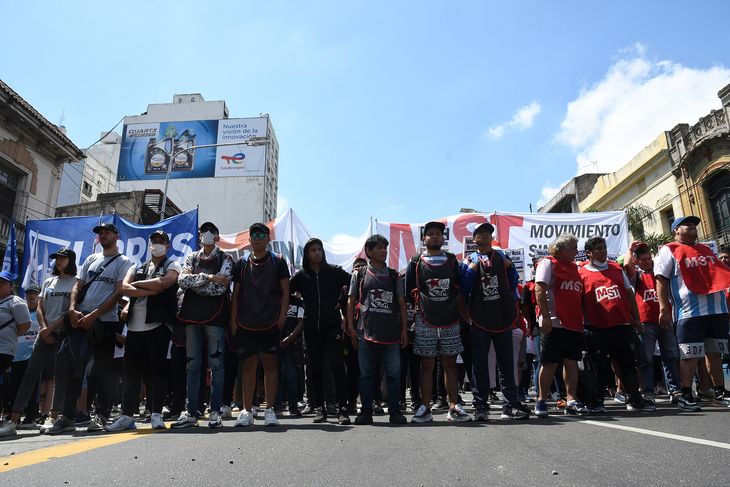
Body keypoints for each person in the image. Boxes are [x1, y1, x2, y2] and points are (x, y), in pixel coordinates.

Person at [47, 223, 133, 434]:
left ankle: (101, 415)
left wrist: (95, 315)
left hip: (105, 322)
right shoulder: (91, 259)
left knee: (101, 371)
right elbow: (78, 285)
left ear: (116, 236)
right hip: (79, 320)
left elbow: (117, 294)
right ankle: (67, 416)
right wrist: (73, 310)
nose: (102, 235)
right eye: (100, 233)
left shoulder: (124, 262)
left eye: (106, 232)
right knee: (72, 369)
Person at [106, 230, 181, 432]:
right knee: (131, 373)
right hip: (134, 326)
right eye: (153, 240)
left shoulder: (172, 264)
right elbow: (123, 287)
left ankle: (156, 413)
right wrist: (147, 289)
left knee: (157, 371)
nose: (156, 243)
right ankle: (127, 416)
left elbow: (165, 282)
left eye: (161, 241)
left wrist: (136, 285)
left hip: (158, 324)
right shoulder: (137, 266)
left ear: (167, 245)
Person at [655, 216, 730, 410]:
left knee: (715, 352)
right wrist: (663, 308)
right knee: (690, 355)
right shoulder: (668, 250)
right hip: (689, 312)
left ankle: (719, 391)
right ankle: (685, 393)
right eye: (686, 224)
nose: (692, 227)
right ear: (675, 231)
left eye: (694, 224)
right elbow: (661, 280)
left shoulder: (706, 249)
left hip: (717, 308)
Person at [461, 222, 530, 421]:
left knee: (507, 364)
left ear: (491, 237)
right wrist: (472, 269)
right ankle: (480, 406)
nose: (484, 235)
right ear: (474, 239)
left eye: (487, 232)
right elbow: (464, 289)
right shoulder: (469, 259)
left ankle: (510, 405)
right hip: (480, 320)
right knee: (480, 365)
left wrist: (509, 268)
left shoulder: (502, 256)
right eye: (480, 233)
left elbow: (514, 281)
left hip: (502, 318)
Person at [4, 248, 77, 435]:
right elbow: (40, 307)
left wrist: (51, 329)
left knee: (59, 376)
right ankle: (13, 420)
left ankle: (54, 417)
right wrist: (44, 328)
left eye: (62, 258)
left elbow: (70, 310)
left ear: (71, 260)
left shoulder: (76, 283)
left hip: (63, 334)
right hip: (44, 334)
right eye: (56, 258)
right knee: (30, 374)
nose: (58, 261)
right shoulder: (48, 281)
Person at [579, 237, 654, 413]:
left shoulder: (615, 268)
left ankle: (634, 399)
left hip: (621, 325)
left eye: (604, 248)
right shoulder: (581, 273)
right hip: (595, 328)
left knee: (628, 364)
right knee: (599, 366)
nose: (603, 251)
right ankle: (597, 402)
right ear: (589, 253)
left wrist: (636, 319)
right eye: (598, 249)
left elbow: (629, 295)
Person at [406, 221, 471, 423]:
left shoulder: (452, 261)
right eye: (430, 234)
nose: (434, 236)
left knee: (450, 365)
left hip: (450, 320)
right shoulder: (415, 262)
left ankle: (454, 406)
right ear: (424, 238)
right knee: (427, 366)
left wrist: (465, 316)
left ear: (443, 238)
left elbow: (461, 289)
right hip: (425, 320)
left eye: (438, 234)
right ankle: (425, 408)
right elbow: (409, 292)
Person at [173, 221, 233, 428]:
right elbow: (182, 281)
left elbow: (221, 287)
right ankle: (191, 412)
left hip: (215, 318)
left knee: (216, 364)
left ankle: (215, 411)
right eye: (203, 231)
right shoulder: (191, 256)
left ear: (217, 236)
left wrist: (196, 284)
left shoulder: (226, 258)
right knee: (192, 364)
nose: (206, 234)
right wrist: (208, 277)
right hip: (191, 316)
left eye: (211, 231)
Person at [230, 223, 290, 427]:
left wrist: (282, 317)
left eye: (261, 234)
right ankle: (246, 410)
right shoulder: (242, 262)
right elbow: (236, 294)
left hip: (270, 322)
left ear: (268, 239)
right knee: (248, 366)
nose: (256, 237)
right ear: (249, 240)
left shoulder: (278, 261)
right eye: (253, 234)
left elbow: (285, 293)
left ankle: (270, 410)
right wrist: (233, 320)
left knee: (271, 366)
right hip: (246, 323)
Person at [346, 234, 408, 425]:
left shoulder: (393, 275)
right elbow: (351, 301)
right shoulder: (359, 274)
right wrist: (351, 328)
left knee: (394, 374)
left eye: (385, 248)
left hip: (391, 334)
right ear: (369, 252)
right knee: (366, 375)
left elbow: (401, 303)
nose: (383, 251)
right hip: (365, 333)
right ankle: (365, 412)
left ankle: (395, 411)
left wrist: (404, 330)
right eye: (379, 248)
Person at [290, 238, 353, 424]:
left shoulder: (334, 271)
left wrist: (341, 302)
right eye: (313, 250)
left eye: (319, 249)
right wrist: (302, 304)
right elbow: (286, 292)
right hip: (310, 329)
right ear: (307, 254)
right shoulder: (301, 276)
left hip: (332, 326)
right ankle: (320, 409)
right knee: (315, 369)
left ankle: (342, 409)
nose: (317, 253)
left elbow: (353, 284)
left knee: (337, 367)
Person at [532, 234, 585, 418]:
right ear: (560, 249)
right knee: (549, 363)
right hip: (554, 322)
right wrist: (545, 317)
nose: (576, 252)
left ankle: (571, 400)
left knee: (571, 363)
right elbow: (540, 288)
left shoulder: (576, 269)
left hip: (574, 324)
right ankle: (541, 400)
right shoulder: (548, 263)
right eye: (573, 248)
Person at [622, 241, 681, 401]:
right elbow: (627, 265)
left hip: (665, 320)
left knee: (670, 356)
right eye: (644, 259)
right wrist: (630, 249)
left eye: (649, 258)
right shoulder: (636, 275)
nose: (648, 261)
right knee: (646, 359)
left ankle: (675, 391)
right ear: (637, 261)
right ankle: (648, 391)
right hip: (646, 323)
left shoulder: (661, 273)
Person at [0, 272, 33, 437]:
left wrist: (9, 335)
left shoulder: (15, 302)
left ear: (10, 286)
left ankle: (8, 417)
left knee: (8, 383)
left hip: (5, 349)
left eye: (2, 283)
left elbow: (25, 325)